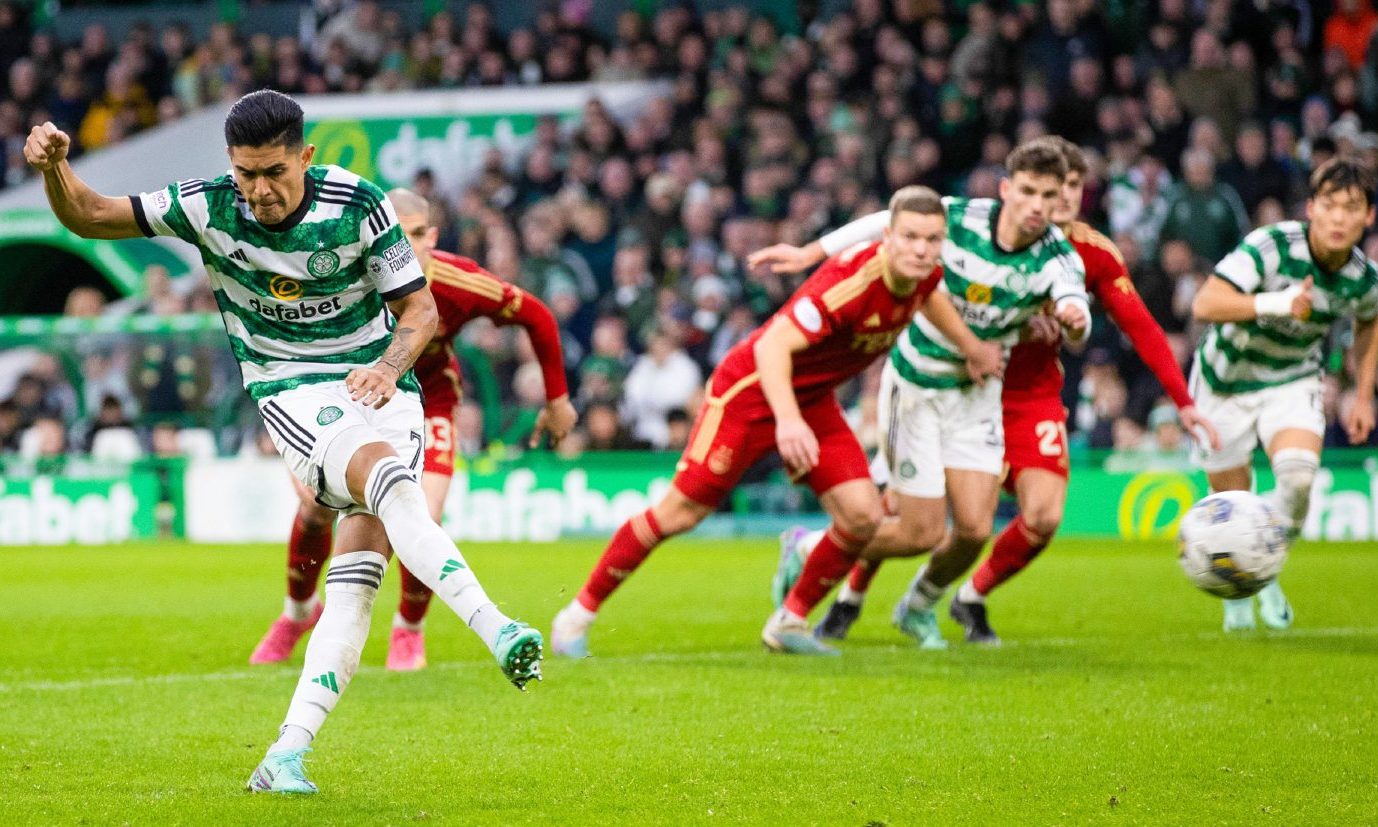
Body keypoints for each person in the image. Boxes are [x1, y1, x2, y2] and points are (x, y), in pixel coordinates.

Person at [23, 89, 543, 795]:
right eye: (246, 172)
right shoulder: (208, 204)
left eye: (275, 171)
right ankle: (497, 626)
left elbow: (418, 310)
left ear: (305, 157)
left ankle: (285, 755)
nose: (260, 190)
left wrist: (390, 366)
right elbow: (89, 214)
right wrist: (56, 169)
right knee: (388, 479)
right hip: (291, 388)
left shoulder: (357, 203)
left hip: (383, 383)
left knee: (358, 581)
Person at [801, 136, 1222, 644]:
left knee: (1035, 517)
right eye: (1044, 189)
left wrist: (1179, 398)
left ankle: (954, 600)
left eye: (1067, 188)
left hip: (1028, 393)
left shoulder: (1084, 256)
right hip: (948, 379)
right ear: (1014, 191)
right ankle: (847, 594)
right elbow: (907, 239)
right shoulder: (973, 225)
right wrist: (814, 251)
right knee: (905, 510)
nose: (1055, 200)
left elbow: (1139, 327)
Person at [549, 186, 1002, 657]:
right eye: (910, 237)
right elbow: (771, 347)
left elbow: (932, 299)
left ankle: (790, 620)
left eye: (932, 239)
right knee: (679, 514)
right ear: (888, 236)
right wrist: (787, 421)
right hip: (749, 394)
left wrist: (972, 348)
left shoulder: (926, 276)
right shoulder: (851, 282)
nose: (922, 249)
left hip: (810, 398)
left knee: (863, 516)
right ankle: (575, 617)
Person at [751, 142, 1090, 650]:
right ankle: (811, 547)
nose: (1037, 205)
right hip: (914, 387)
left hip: (976, 396)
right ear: (1005, 190)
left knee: (974, 529)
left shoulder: (1059, 256)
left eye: (1048, 194)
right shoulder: (961, 218)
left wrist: (1074, 321)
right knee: (919, 532)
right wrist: (812, 252)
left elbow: (1074, 305)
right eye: (1026, 191)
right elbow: (886, 221)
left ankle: (917, 606)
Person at [249, 187, 576, 671]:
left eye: (418, 234)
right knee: (314, 510)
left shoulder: (459, 281)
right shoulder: (342, 269)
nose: (408, 245)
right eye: (397, 233)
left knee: (423, 513)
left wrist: (558, 399)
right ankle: (298, 612)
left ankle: (409, 629)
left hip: (430, 403)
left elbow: (535, 313)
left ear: (433, 235)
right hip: (347, 396)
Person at [1190, 156, 1378, 632]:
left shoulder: (1362, 278)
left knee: (1296, 480)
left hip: (1292, 380)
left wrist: (1361, 395)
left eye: (1351, 208)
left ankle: (1264, 570)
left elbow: (1370, 318)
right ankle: (1238, 594)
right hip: (1223, 382)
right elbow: (1205, 303)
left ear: (1368, 217)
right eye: (1330, 206)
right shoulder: (1270, 246)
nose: (1339, 218)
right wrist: (1276, 302)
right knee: (1232, 499)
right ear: (1311, 208)